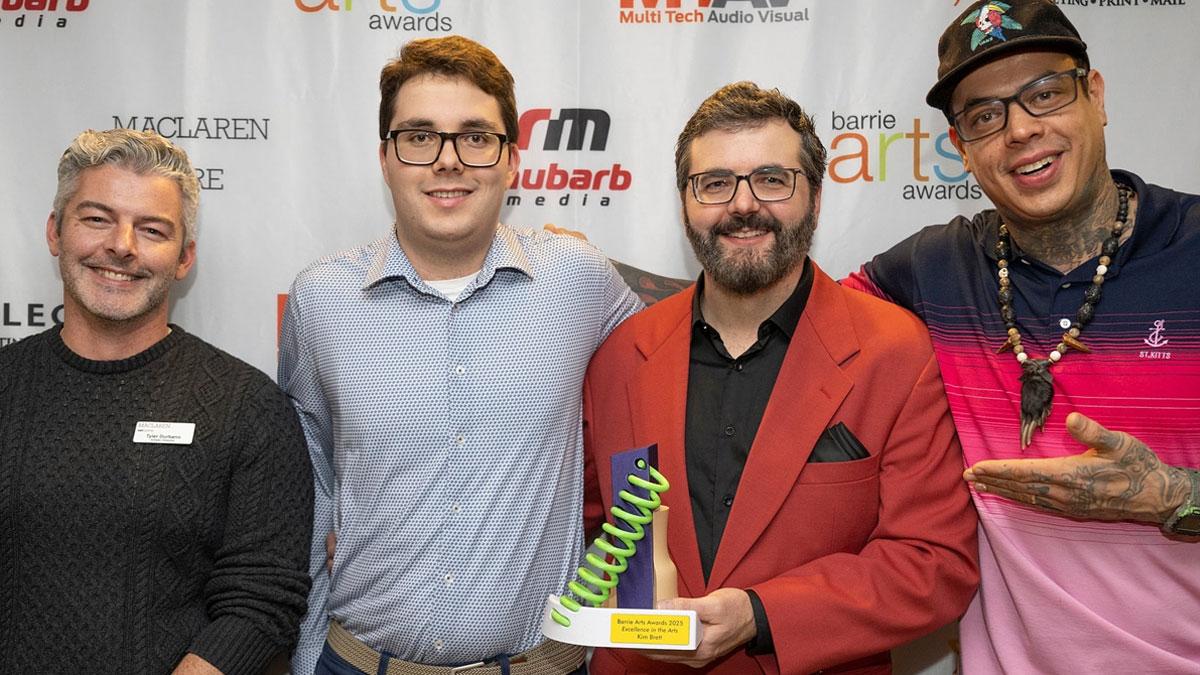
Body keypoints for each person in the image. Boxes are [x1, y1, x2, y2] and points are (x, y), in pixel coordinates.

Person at [844, 1, 1200, 671]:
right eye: (985, 115)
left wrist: (1176, 495)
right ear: (961, 147)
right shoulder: (933, 269)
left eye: (1044, 93)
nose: (1020, 131)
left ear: (1095, 96)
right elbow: (780, 318)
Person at [581, 82, 979, 675]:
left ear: (815, 199)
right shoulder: (618, 357)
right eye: (714, 183)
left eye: (772, 179)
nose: (743, 206)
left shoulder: (895, 353)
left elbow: (933, 563)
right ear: (685, 203)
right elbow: (589, 531)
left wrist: (761, 616)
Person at [279, 36, 641, 675]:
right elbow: (308, 477)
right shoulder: (321, 298)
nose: (448, 161)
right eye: (419, 137)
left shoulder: (578, 278)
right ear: (385, 159)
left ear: (513, 161)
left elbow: (676, 360)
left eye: (476, 136)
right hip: (357, 662)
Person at [0, 129, 314, 674]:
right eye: (96, 218)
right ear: (55, 232)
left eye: (152, 229)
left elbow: (263, 597)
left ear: (184, 256)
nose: (122, 245)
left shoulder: (247, 406)